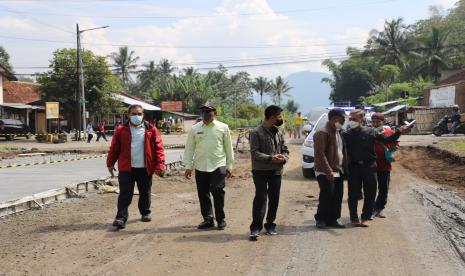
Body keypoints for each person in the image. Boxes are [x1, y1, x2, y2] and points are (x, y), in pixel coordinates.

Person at [343, 109, 412, 227]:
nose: (351, 121)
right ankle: (354, 218)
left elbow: (387, 140)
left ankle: (365, 217)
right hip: (353, 167)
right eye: (350, 119)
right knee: (353, 194)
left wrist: (400, 131)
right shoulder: (346, 134)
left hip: (369, 167)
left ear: (361, 120)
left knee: (370, 193)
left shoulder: (371, 132)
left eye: (354, 119)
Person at [107, 104, 166, 229]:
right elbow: (114, 148)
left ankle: (145, 213)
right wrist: (110, 163)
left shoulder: (151, 129)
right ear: (128, 115)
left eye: (139, 114)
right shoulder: (121, 130)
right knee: (125, 194)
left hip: (145, 167)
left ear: (143, 115)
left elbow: (159, 148)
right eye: (133, 114)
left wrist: (160, 164)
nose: (136, 116)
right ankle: (121, 218)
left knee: (145, 192)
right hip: (126, 168)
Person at [183, 103, 234, 230]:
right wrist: (188, 166)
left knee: (218, 192)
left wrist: (230, 165)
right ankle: (208, 219)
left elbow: (228, 147)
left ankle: (221, 219)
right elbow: (189, 148)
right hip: (201, 166)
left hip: (218, 165)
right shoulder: (195, 129)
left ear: (214, 113)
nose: (206, 113)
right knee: (203, 193)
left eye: (209, 111)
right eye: (203, 111)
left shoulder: (223, 127)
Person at [249, 105, 289, 240]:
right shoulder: (256, 132)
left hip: (276, 171)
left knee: (274, 198)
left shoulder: (279, 132)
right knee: (260, 198)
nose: (281, 118)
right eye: (280, 116)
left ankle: (270, 224)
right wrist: (270, 158)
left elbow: (285, 149)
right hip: (260, 171)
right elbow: (254, 153)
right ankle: (255, 228)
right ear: (272, 117)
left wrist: (284, 158)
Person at [313, 108, 346, 229]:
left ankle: (333, 219)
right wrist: (328, 171)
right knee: (327, 194)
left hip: (338, 169)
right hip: (324, 170)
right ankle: (321, 218)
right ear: (335, 119)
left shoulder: (339, 132)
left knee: (337, 196)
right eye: (342, 119)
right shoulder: (323, 132)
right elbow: (319, 154)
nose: (343, 122)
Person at [371, 113, 398, 219]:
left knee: (383, 188)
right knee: (371, 189)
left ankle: (380, 208)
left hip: (384, 165)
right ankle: (372, 209)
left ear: (383, 121)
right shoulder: (369, 132)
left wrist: (392, 148)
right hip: (371, 165)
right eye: (373, 122)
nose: (375, 124)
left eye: (378, 122)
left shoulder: (389, 132)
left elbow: (395, 145)